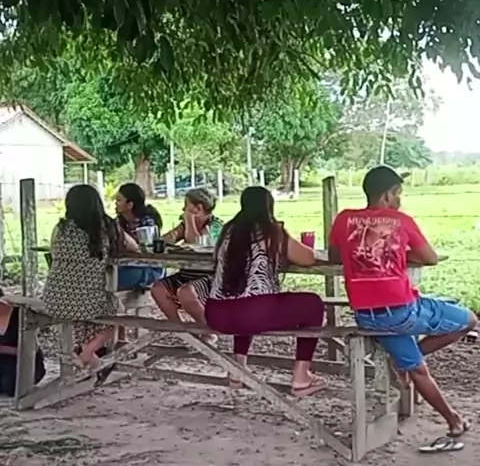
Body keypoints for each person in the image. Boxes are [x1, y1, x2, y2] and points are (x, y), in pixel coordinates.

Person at [328, 165, 477, 450]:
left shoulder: (344, 219)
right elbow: (430, 258)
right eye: (398, 193)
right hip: (402, 311)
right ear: (387, 194)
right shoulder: (400, 221)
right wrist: (395, 253)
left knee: (417, 368)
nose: (399, 199)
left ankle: (454, 420)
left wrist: (372, 254)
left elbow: (336, 255)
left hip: (367, 317)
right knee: (468, 319)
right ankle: (410, 360)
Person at [205, 186, 326, 396]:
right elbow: (307, 258)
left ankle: (237, 368)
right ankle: (301, 376)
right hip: (252, 314)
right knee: (313, 303)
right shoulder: (272, 231)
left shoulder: (229, 230)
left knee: (245, 296)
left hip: (216, 314)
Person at [43, 184, 138, 369]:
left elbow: (54, 254)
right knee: (117, 310)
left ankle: (91, 361)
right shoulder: (106, 227)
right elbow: (134, 247)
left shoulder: (60, 228)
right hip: (86, 301)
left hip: (53, 298)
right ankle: (87, 352)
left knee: (81, 310)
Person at [151, 187, 223, 329]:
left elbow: (196, 243)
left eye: (186, 205)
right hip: (186, 274)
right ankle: (181, 328)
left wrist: (189, 220)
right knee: (158, 289)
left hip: (209, 277)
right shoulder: (185, 225)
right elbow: (166, 239)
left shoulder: (216, 225)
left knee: (186, 292)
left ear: (199, 208)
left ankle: (208, 330)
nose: (183, 209)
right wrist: (171, 237)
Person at [115, 183, 165, 290]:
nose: (116, 203)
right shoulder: (118, 222)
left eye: (119, 200)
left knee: (114, 280)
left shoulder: (147, 223)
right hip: (126, 265)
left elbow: (147, 251)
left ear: (130, 204)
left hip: (148, 268)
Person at [0, 292, 45, 396]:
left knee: (10, 386)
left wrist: (3, 349)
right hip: (3, 362)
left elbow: (32, 350)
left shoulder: (21, 316)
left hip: (24, 361)